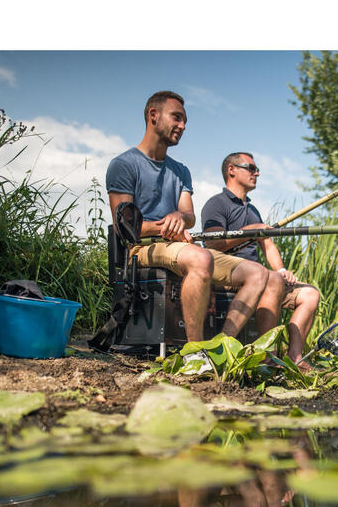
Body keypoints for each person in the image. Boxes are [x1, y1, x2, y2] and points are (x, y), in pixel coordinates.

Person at [105, 91, 219, 371]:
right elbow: (125, 228)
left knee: (260, 275)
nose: (182, 126)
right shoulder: (124, 164)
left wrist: (180, 216)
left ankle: (223, 349)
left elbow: (189, 215)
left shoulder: (181, 171)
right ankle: (195, 355)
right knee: (202, 259)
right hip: (141, 247)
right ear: (153, 116)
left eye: (185, 121)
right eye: (176, 118)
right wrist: (164, 227)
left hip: (179, 246)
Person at [201, 152, 320, 370]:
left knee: (310, 294)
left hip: (263, 278)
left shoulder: (253, 210)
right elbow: (213, 243)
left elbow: (268, 244)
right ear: (232, 170)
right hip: (231, 275)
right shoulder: (216, 204)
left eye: (257, 169)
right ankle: (267, 355)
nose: (257, 173)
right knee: (271, 278)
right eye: (251, 168)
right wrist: (251, 230)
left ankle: (295, 357)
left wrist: (282, 269)